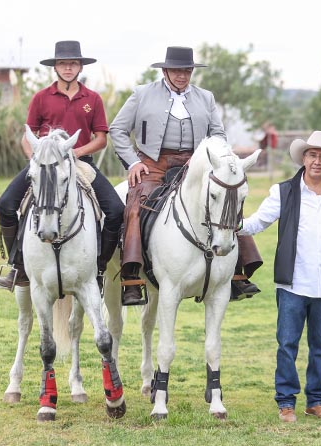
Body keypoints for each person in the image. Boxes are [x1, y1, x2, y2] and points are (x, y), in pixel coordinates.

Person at [110, 46, 262, 306]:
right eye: (177, 70)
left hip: (197, 165)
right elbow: (117, 130)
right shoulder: (141, 94)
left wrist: (207, 156)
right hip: (153, 165)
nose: (182, 75)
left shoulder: (206, 98)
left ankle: (237, 272)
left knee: (228, 197)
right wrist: (133, 162)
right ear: (165, 70)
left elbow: (219, 135)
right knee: (134, 206)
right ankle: (132, 278)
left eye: (187, 70)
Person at [239, 130, 321, 423]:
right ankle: (286, 402)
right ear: (304, 158)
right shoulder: (283, 192)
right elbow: (257, 223)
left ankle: (316, 401)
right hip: (292, 282)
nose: (317, 161)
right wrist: (231, 224)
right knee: (287, 344)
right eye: (312, 155)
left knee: (320, 348)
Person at [0, 40, 124, 293]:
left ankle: (97, 268)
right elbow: (27, 136)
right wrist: (37, 160)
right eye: (63, 63)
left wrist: (75, 152)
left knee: (116, 210)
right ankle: (17, 266)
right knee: (5, 204)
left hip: (81, 164)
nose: (68, 68)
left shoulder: (93, 99)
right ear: (55, 67)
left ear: (79, 67)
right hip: (44, 165)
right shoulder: (41, 98)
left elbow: (100, 139)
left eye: (73, 63)